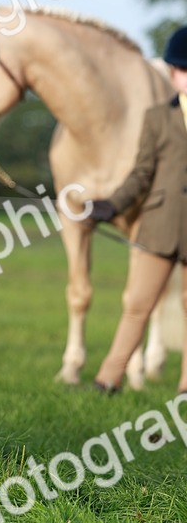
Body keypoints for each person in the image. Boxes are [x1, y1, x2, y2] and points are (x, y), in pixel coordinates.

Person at [91, 25, 187, 394]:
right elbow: (142, 173)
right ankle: (108, 378)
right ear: (172, 72)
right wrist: (112, 204)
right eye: (181, 69)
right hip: (160, 225)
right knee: (137, 305)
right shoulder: (158, 118)